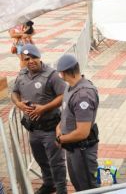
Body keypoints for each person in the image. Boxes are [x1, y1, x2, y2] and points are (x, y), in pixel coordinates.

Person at [11, 44, 67, 194]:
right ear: (23, 60)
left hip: (50, 128)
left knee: (56, 162)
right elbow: (14, 92)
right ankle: (49, 184)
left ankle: (62, 189)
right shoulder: (22, 74)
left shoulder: (51, 75)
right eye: (27, 58)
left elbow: (63, 95)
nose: (31, 61)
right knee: (41, 159)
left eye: (34, 57)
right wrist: (19, 104)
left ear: (39, 57)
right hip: (33, 129)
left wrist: (44, 108)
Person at [55, 54, 99, 191]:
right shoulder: (70, 88)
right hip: (72, 147)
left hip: (82, 150)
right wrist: (59, 128)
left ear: (62, 73)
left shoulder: (83, 95)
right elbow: (67, 113)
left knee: (87, 187)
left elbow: (82, 132)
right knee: (77, 183)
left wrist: (61, 139)